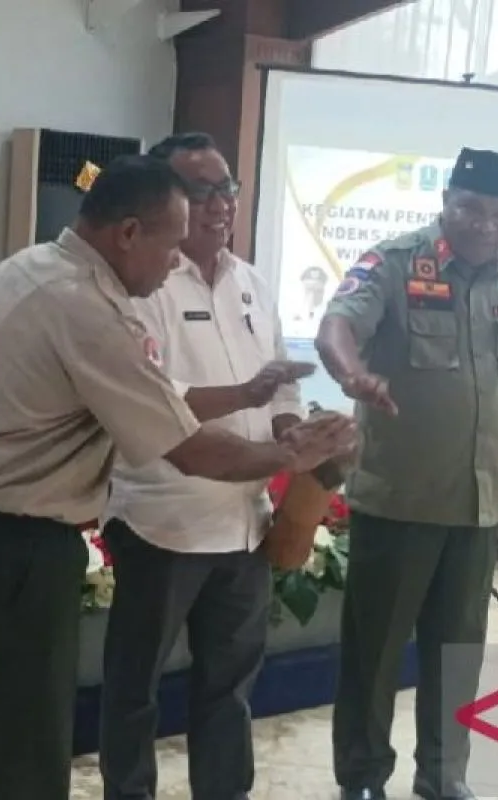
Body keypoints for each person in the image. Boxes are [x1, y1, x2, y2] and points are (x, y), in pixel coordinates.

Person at [0, 154, 358, 800]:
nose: (174, 262)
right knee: (26, 745)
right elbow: (187, 448)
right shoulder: (84, 306)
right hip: (26, 546)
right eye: (170, 243)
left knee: (3, 734)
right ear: (129, 233)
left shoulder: (32, 269)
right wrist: (291, 458)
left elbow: (159, 397)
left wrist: (251, 399)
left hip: (1, 543)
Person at [314, 148, 498, 800]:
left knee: (458, 654)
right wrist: (351, 374)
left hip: (476, 507)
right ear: (446, 201)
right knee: (375, 654)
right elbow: (335, 327)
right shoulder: (394, 263)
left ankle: (443, 774)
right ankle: (363, 777)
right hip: (399, 504)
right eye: (472, 209)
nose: (486, 225)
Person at [99, 133, 314, 800]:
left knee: (229, 689)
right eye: (201, 191)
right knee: (134, 687)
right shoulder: (141, 287)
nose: (220, 204)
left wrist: (300, 435)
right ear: (166, 199)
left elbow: (280, 391)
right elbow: (152, 402)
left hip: (245, 525)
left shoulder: (252, 283)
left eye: (227, 188)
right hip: (163, 522)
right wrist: (247, 396)